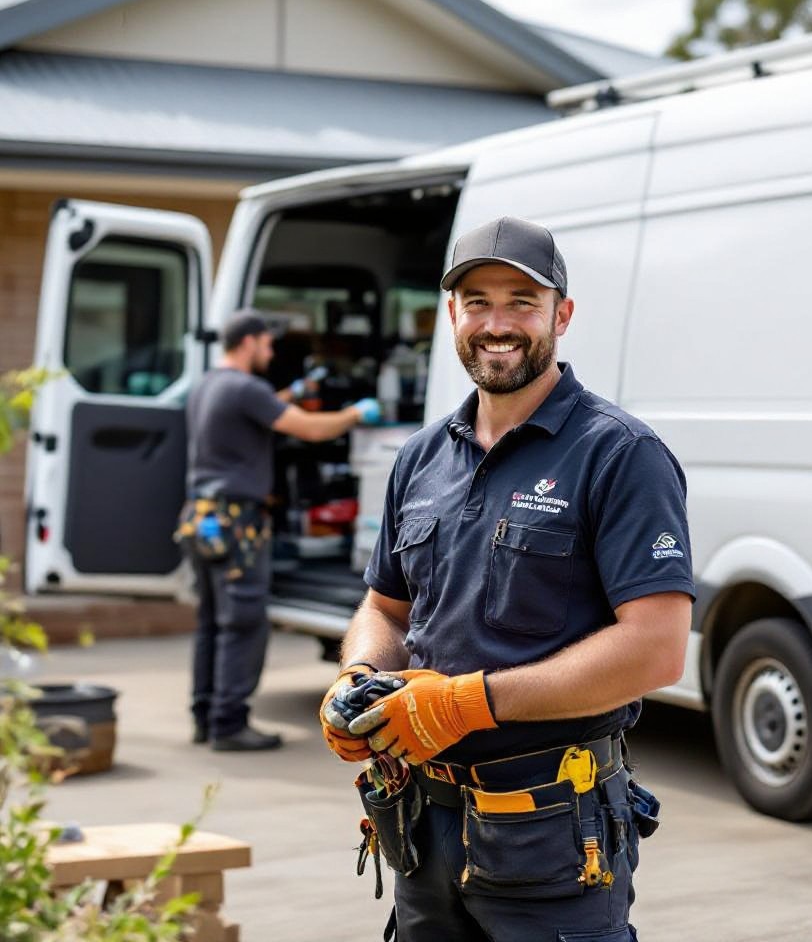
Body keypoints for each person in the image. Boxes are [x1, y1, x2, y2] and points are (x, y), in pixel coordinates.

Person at [320, 217, 694, 940]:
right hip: (419, 826)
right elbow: (386, 608)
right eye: (478, 302)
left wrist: (471, 704)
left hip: (552, 833)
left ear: (562, 315)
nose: (497, 324)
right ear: (452, 316)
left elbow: (656, 650)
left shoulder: (619, 455)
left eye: (522, 302)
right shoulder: (421, 457)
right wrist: (358, 676)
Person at [180, 308, 379, 752]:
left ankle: (205, 716)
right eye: (268, 345)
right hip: (236, 524)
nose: (271, 353)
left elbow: (261, 406)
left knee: (212, 621)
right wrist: (354, 413)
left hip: (202, 518)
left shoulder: (209, 385)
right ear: (249, 342)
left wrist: (296, 392)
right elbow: (309, 429)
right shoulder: (246, 389)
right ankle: (229, 725)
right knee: (243, 623)